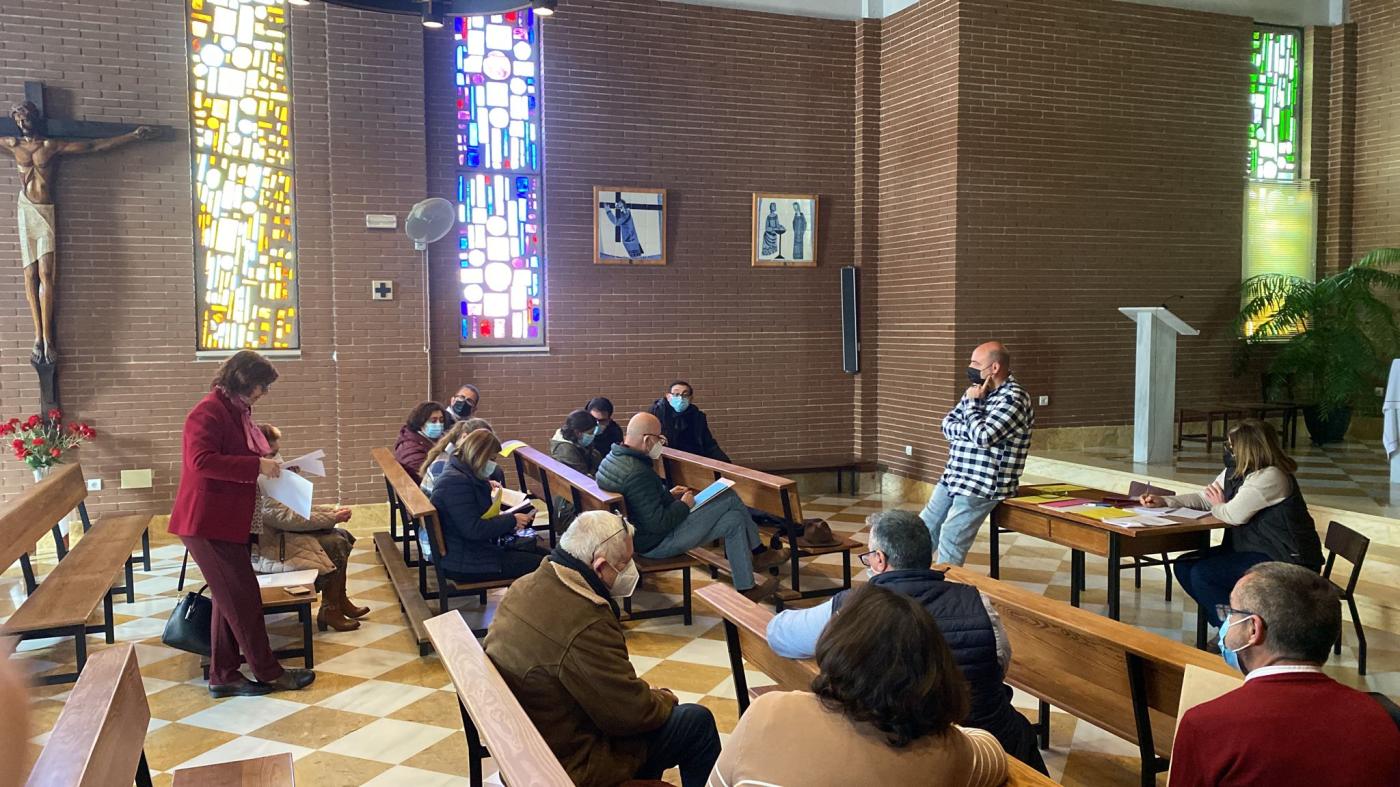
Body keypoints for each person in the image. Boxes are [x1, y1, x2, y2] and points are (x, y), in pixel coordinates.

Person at [766, 510, 1045, 773]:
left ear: (879, 559)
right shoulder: (976, 601)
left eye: (870, 556)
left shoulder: (851, 606)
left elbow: (780, 635)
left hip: (901, 752)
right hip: (989, 739)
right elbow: (998, 664)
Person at [486, 511, 721, 787]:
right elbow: (630, 715)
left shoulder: (525, 585)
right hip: (574, 764)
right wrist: (664, 697)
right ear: (599, 567)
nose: (631, 569)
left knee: (672, 719)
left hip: (536, 741)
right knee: (696, 723)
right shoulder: (585, 619)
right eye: (624, 562)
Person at [713, 583, 1008, 786]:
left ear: (837, 648)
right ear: (933, 671)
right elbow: (993, 754)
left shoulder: (769, 711)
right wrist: (941, 723)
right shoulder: (947, 750)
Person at [1169, 562, 1400, 786]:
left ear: (1253, 629)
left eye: (1232, 612)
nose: (1227, 621)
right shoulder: (1385, 717)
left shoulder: (1206, 725)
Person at [168, 350, 315, 698]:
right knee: (244, 599)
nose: (263, 393)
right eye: (261, 386)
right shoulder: (207, 412)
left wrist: (275, 468)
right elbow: (201, 462)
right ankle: (268, 672)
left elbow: (241, 456)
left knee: (229, 598)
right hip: (207, 522)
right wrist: (256, 467)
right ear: (243, 380)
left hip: (227, 519)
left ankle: (223, 674)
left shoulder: (236, 411)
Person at [1145, 419, 1322, 630]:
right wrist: (1165, 501)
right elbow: (1205, 498)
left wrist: (1219, 505)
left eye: (1231, 446)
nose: (1228, 450)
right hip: (1251, 550)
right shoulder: (1236, 471)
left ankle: (1238, 633)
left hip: (1284, 558)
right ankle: (1230, 627)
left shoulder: (1271, 477)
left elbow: (1232, 515)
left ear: (1248, 448)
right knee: (1185, 565)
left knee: (1204, 574)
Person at [596, 413, 781, 601]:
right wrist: (684, 505)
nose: (661, 442)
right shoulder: (637, 472)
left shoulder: (612, 459)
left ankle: (746, 588)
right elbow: (658, 523)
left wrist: (668, 495)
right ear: (647, 439)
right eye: (659, 438)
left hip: (637, 537)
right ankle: (759, 552)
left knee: (734, 519)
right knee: (729, 496)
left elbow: (640, 502)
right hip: (655, 543)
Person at [920, 342, 1034, 566]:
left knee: (951, 536)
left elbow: (984, 437)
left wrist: (972, 407)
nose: (970, 367)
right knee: (922, 529)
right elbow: (946, 425)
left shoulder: (1014, 399)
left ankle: (945, 592)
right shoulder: (975, 390)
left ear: (994, 368)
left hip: (982, 484)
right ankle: (908, 582)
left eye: (975, 363)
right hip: (954, 475)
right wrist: (971, 430)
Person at [250, 424, 368, 632]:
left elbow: (294, 508)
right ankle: (330, 609)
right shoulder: (257, 480)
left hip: (283, 536)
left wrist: (331, 513)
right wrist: (331, 517)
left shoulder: (269, 476)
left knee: (342, 535)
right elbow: (286, 517)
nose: (278, 461)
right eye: (273, 455)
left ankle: (339, 600)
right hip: (269, 548)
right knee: (334, 542)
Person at [429, 427, 544, 583]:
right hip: (466, 562)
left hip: (470, 551)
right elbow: (474, 529)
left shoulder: (462, 473)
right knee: (545, 566)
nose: (493, 465)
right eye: (492, 459)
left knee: (548, 557)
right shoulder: (456, 483)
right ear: (479, 456)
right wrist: (511, 520)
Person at [649, 381, 730, 462]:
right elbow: (647, 444)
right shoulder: (656, 413)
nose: (680, 398)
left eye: (685, 395)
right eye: (676, 394)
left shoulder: (697, 416)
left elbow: (709, 444)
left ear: (690, 398)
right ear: (668, 396)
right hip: (664, 461)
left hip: (692, 461)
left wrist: (727, 464)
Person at [420, 417, 497, 496]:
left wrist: (486, 485)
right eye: (480, 445)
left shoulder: (455, 459)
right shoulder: (443, 465)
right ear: (464, 437)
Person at [394, 401, 446, 483]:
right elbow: (422, 475)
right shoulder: (410, 447)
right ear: (420, 422)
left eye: (441, 420)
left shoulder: (435, 439)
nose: (438, 424)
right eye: (433, 421)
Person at [551, 409, 603, 476]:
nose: (592, 436)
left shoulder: (578, 442)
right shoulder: (566, 451)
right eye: (590, 433)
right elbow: (582, 477)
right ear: (578, 433)